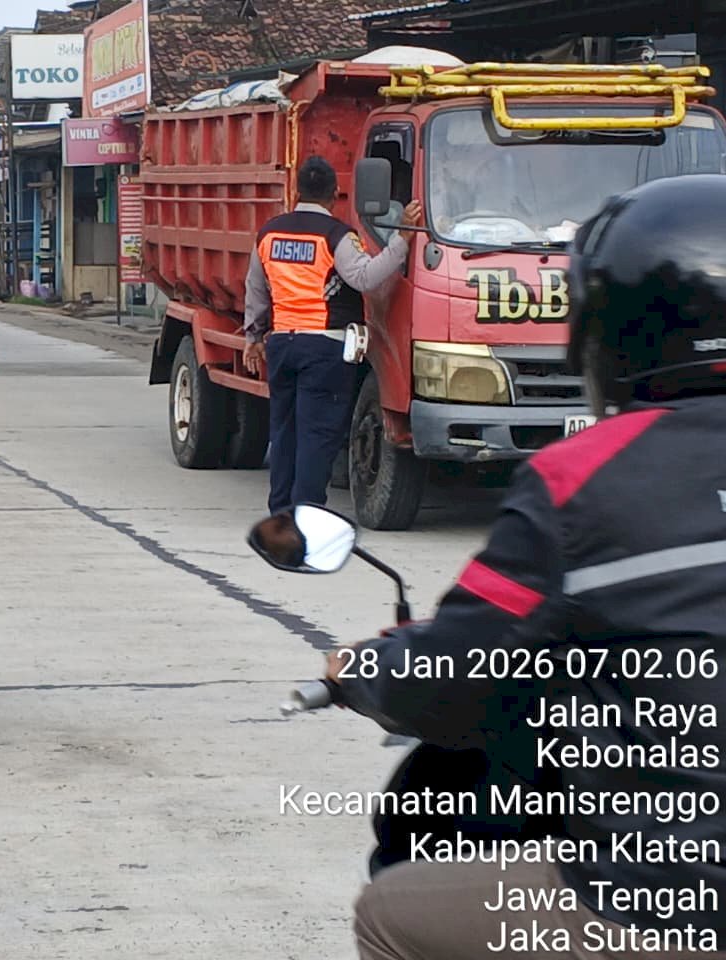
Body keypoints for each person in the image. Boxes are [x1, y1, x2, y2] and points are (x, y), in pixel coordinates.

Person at [338, 175, 726, 959]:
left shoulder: (581, 477)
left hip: (675, 895)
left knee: (392, 910)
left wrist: (364, 669)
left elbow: (453, 674)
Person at [243, 156, 422, 513]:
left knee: (284, 432)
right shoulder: (336, 235)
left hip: (281, 344)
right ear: (334, 195)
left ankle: (280, 510)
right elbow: (365, 278)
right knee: (317, 435)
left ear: (297, 190)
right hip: (323, 347)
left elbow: (256, 288)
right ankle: (307, 512)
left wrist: (253, 337)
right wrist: (401, 239)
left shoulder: (270, 232)